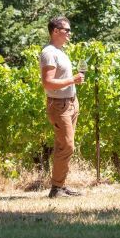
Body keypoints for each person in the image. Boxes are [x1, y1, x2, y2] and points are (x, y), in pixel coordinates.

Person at [39, 16, 84, 198]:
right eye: (67, 30)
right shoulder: (49, 52)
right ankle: (56, 188)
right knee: (67, 146)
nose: (69, 34)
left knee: (63, 146)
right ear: (55, 31)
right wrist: (73, 79)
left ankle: (60, 186)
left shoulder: (60, 51)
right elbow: (48, 83)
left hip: (70, 102)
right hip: (59, 105)